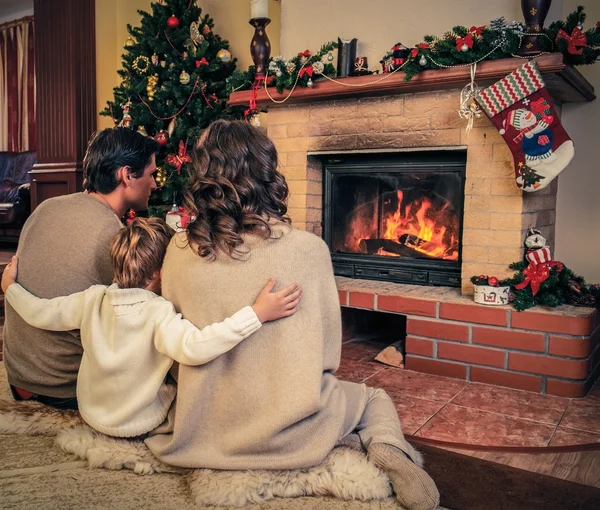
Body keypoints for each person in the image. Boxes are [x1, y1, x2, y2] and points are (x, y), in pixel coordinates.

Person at [145, 120, 440, 510]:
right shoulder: (308, 249)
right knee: (372, 399)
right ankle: (389, 450)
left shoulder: (179, 250)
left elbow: (174, 344)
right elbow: (328, 354)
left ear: (204, 174)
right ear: (265, 171)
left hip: (204, 424)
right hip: (292, 430)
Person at [1, 217, 302, 438]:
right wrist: (257, 314)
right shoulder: (159, 313)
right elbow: (196, 347)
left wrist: (10, 287)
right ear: (161, 272)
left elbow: (39, 312)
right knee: (188, 394)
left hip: (90, 412)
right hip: (138, 423)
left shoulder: (91, 299)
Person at [2, 127, 160, 410]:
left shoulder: (45, 208)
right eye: (151, 174)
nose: (155, 184)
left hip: (18, 378)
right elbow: (134, 318)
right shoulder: (114, 235)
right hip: (65, 388)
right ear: (126, 175)